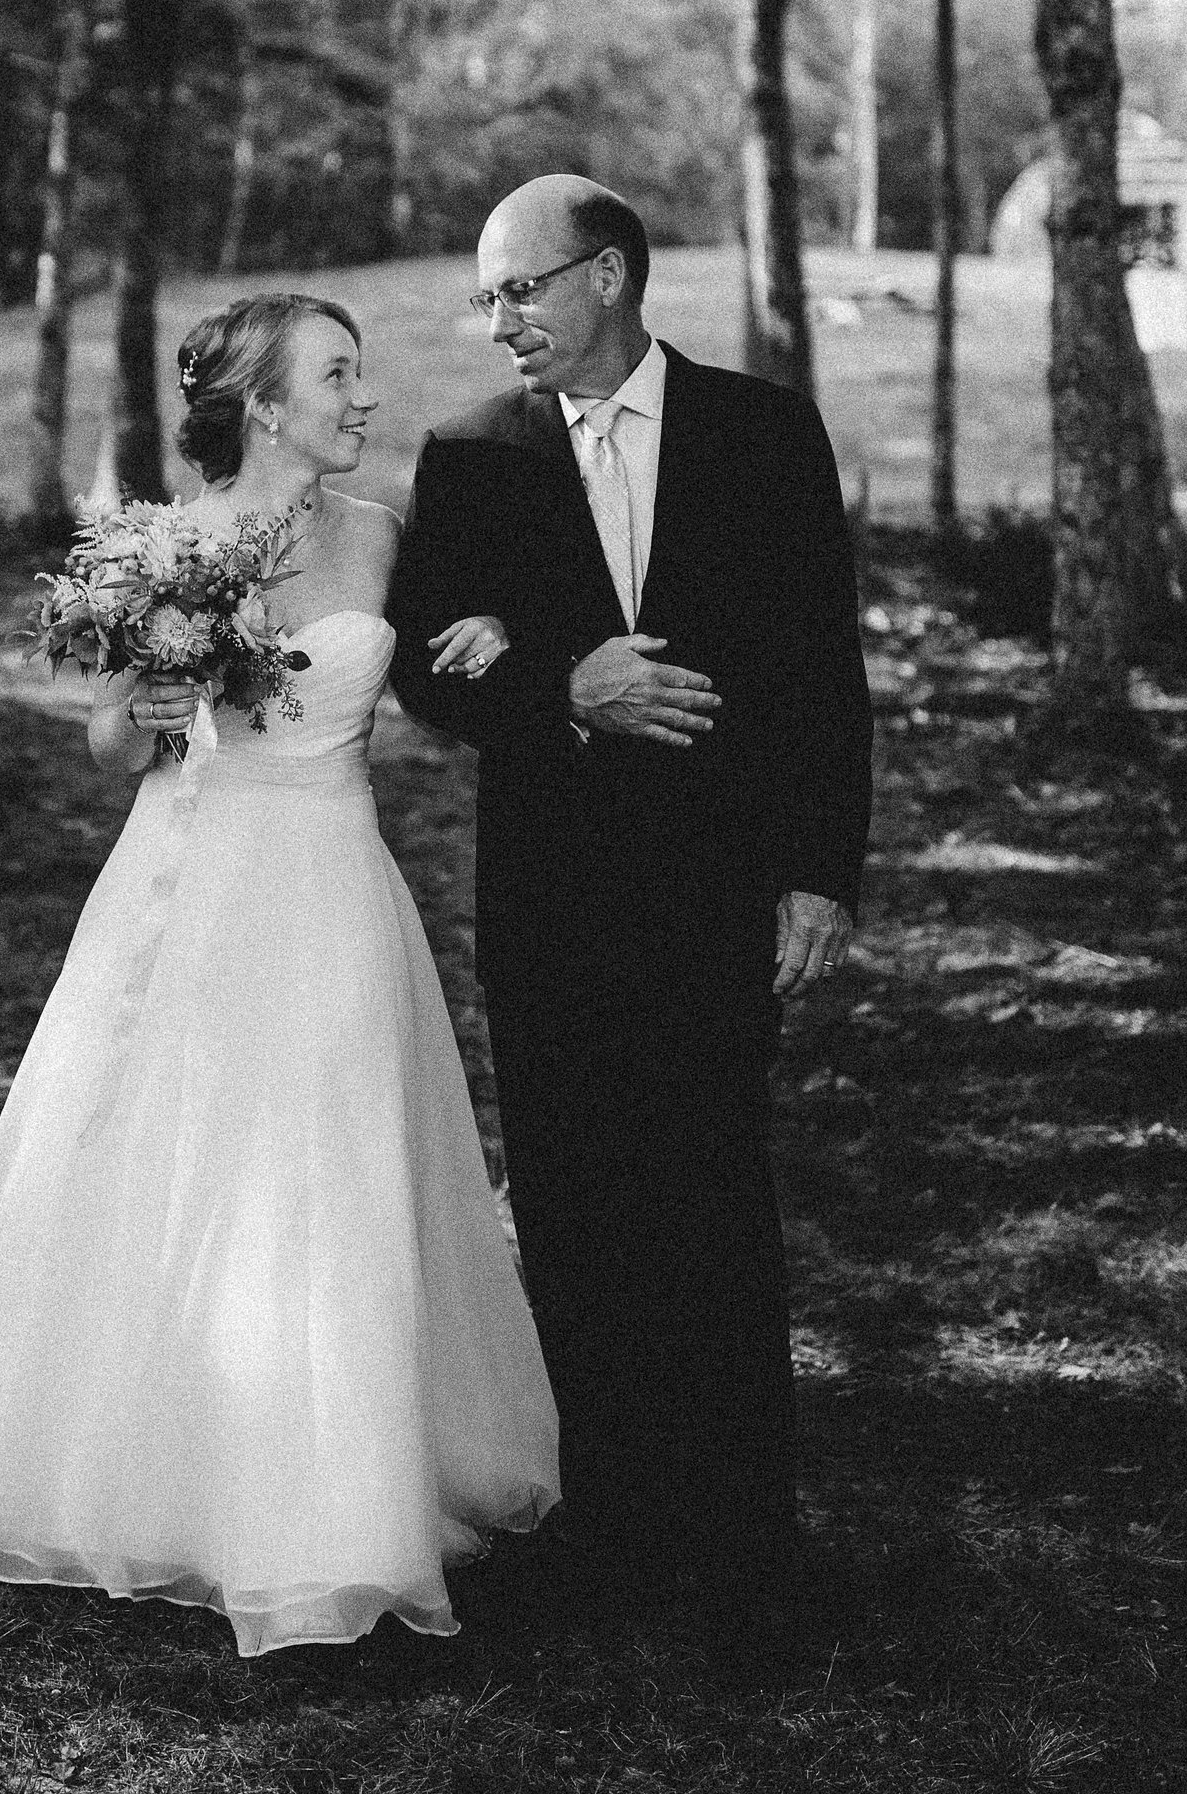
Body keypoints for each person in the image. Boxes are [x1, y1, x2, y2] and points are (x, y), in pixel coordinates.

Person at [0, 293, 558, 1656]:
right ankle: (163, 1474)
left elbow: (469, 651)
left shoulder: (384, 537)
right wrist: (153, 707)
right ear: (270, 407)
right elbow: (112, 741)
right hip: (194, 873)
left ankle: (343, 1494)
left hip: (337, 878)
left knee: (333, 1165)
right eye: (338, 376)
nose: (365, 397)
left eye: (360, 372)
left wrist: (503, 638)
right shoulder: (164, 546)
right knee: (167, 1153)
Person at [384, 174, 872, 1668]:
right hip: (552, 896)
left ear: (604, 279)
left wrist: (820, 872)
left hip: (719, 885)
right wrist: (560, 690)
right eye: (489, 297)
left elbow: (820, 666)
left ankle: (742, 1541)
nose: (499, 319)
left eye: (519, 288)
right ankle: (611, 1525)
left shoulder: (762, 432)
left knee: (715, 1194)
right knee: (581, 1201)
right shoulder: (469, 457)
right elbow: (421, 670)